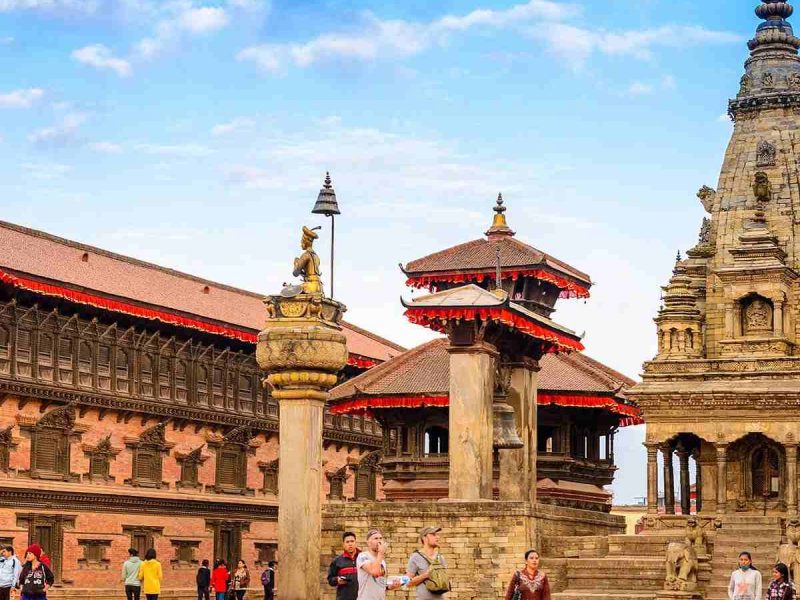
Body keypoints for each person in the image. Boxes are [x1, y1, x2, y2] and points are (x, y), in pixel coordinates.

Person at [356, 529, 402, 600]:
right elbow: (374, 572)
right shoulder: (363, 556)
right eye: (376, 538)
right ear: (368, 543)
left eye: (380, 538)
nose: (379, 541)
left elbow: (380, 582)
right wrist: (380, 553)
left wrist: (391, 586)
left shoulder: (382, 561)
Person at [406, 527, 449, 599]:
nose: (437, 537)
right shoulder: (416, 557)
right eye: (433, 534)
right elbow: (407, 583)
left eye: (437, 535)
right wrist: (425, 575)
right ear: (424, 538)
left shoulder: (440, 558)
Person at [327, 531, 359, 600]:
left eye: (352, 541)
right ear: (343, 545)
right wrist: (337, 580)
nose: (350, 544)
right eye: (347, 542)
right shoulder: (337, 561)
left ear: (356, 543)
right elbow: (330, 579)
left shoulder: (363, 558)